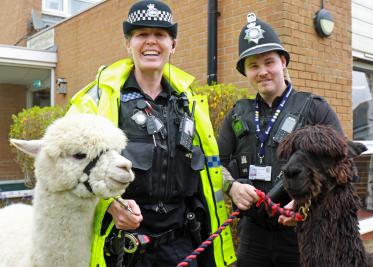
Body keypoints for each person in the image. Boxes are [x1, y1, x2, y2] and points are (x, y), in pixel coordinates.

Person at [67, 1, 236, 266]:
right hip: (122, 248)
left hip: (183, 247)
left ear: (173, 44)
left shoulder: (189, 102)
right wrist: (110, 205)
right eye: (142, 35)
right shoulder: (100, 97)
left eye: (160, 35)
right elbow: (63, 164)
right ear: (128, 44)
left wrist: (232, 186)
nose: (151, 42)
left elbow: (207, 170)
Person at [218, 13, 344, 267]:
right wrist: (231, 186)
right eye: (254, 66)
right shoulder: (236, 114)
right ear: (246, 72)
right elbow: (213, 164)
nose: (263, 71)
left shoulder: (314, 109)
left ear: (283, 62)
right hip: (252, 234)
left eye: (269, 62)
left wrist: (304, 203)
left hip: (300, 232)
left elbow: (342, 164)